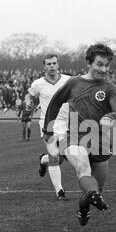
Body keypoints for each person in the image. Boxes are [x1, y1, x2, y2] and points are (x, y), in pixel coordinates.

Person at [42, 43, 116, 226]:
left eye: (107, 65)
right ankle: (91, 196)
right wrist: (48, 130)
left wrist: (111, 117)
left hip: (100, 141)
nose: (104, 69)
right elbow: (54, 104)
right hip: (75, 138)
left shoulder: (110, 88)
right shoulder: (73, 83)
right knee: (83, 169)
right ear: (89, 63)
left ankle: (84, 208)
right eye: (99, 64)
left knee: (96, 189)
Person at [28, 54, 71, 201]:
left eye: (54, 63)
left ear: (58, 65)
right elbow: (30, 96)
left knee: (61, 158)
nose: (52, 66)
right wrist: (29, 103)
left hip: (66, 124)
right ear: (44, 66)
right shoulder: (38, 84)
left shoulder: (68, 81)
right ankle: (60, 192)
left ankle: (42, 161)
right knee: (55, 158)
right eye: (48, 64)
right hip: (48, 125)